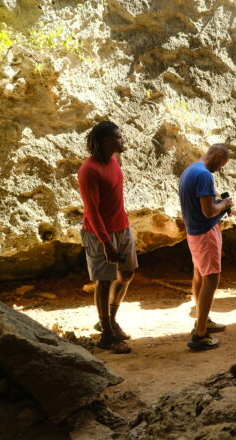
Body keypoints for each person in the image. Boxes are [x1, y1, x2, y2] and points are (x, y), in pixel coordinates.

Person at [78, 121, 136, 354]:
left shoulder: (113, 160)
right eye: (118, 138)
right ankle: (107, 336)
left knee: (128, 273)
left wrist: (123, 227)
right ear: (105, 141)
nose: (123, 141)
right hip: (100, 233)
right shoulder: (88, 170)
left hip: (122, 227)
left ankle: (109, 319)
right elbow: (92, 211)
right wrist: (106, 243)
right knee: (104, 281)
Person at [179, 144, 234, 351]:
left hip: (194, 231)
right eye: (222, 164)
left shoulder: (190, 170)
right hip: (205, 233)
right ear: (218, 156)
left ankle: (204, 319)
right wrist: (225, 204)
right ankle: (200, 333)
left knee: (199, 275)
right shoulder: (204, 175)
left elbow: (200, 205)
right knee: (211, 278)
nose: (220, 169)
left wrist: (218, 203)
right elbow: (209, 211)